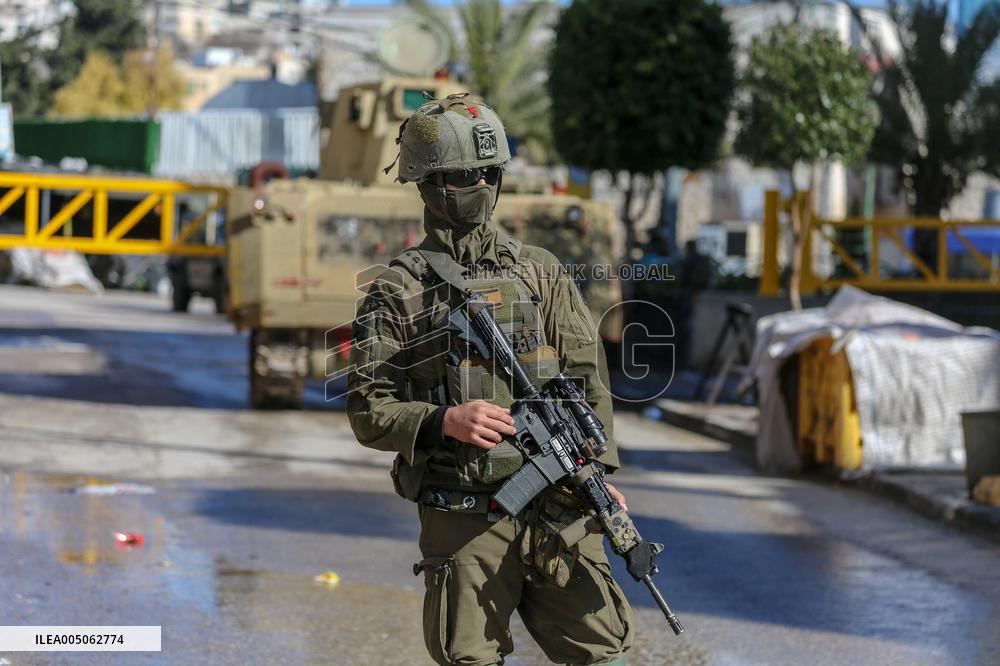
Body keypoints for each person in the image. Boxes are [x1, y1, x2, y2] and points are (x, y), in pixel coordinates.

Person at [346, 94, 634, 666]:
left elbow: (586, 382)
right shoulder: (397, 289)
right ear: (429, 184)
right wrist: (442, 420)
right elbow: (367, 408)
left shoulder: (540, 271)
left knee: (605, 652)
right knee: (470, 659)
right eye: (463, 175)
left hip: (559, 506)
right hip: (465, 518)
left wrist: (596, 471)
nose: (480, 183)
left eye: (489, 172)